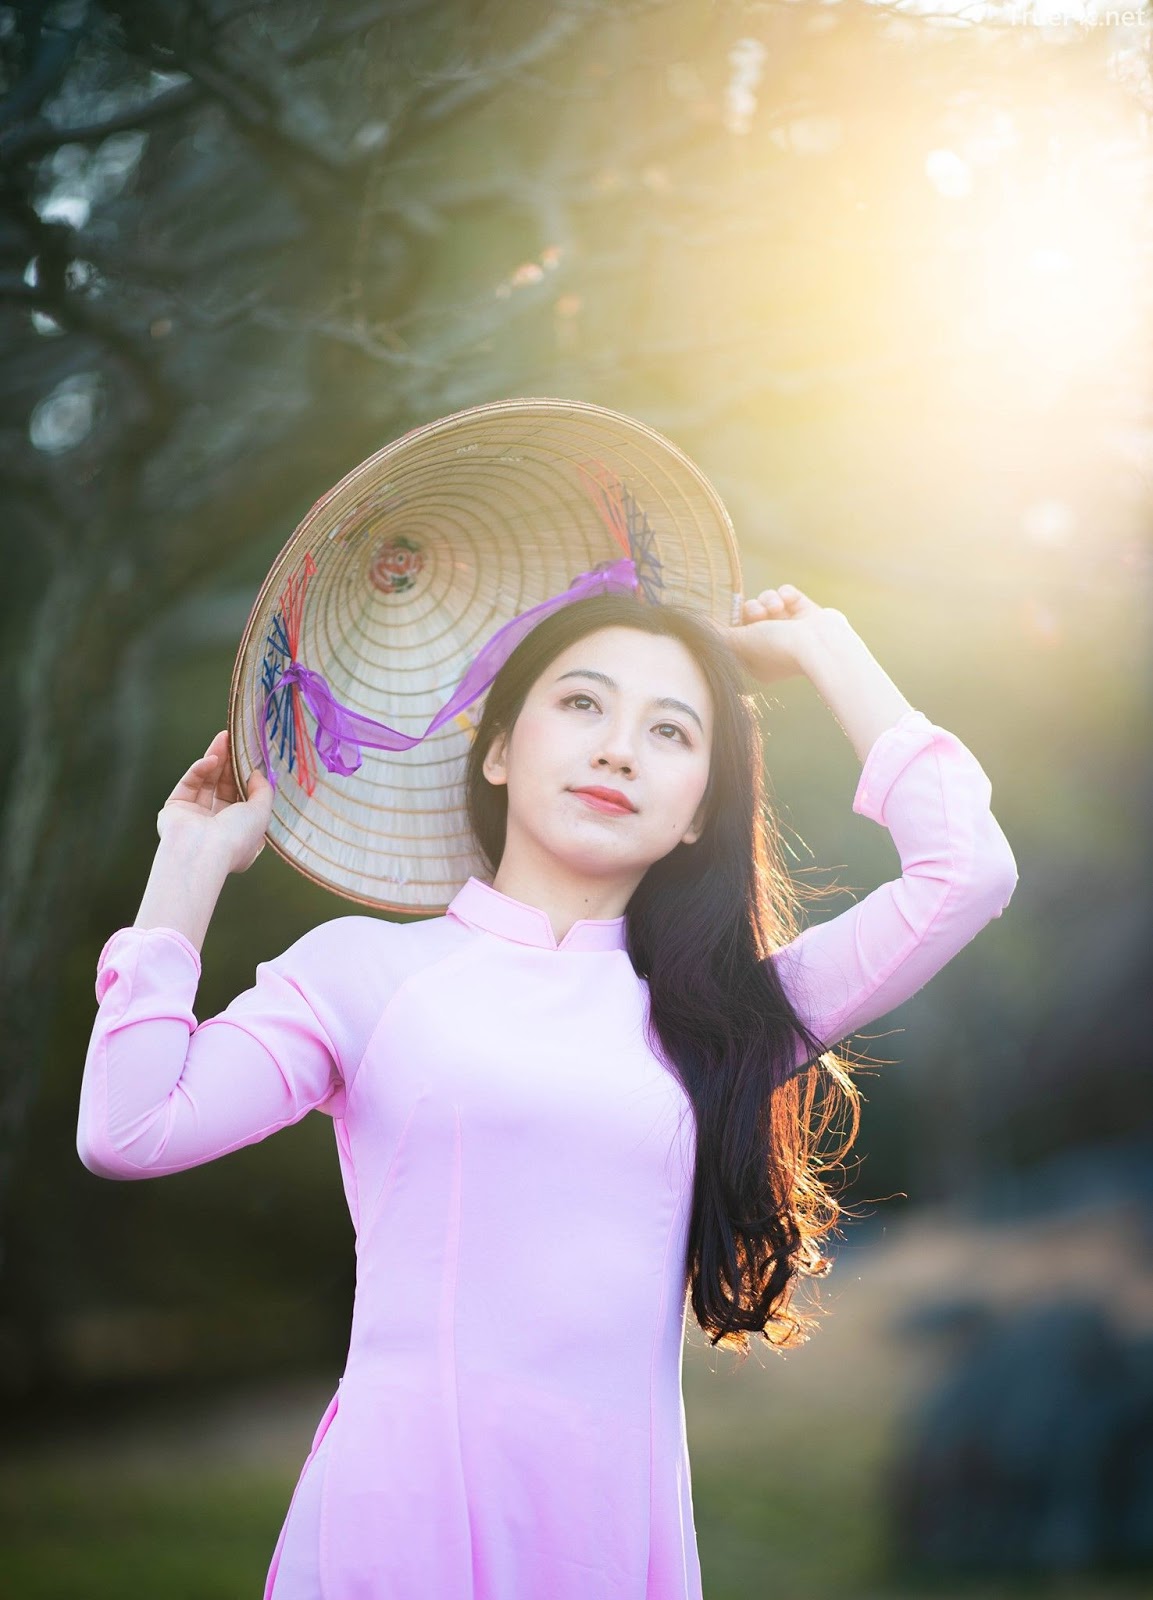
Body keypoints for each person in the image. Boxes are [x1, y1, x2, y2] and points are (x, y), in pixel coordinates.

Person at [76, 580, 1018, 1600]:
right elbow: (130, 1126)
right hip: (396, 1522)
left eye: (670, 731)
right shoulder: (361, 974)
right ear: (496, 749)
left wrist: (831, 649)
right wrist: (191, 860)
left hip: (611, 1536)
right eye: (581, 704)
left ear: (701, 807)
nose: (618, 748)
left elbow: (964, 872)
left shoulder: (729, 1017)